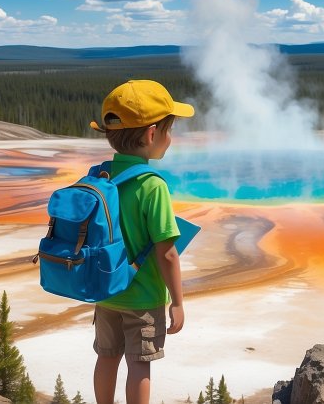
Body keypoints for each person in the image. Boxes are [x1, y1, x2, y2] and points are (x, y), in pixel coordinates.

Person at [88, 80, 194, 404]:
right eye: (169, 129)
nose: (170, 137)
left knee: (106, 356)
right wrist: (177, 301)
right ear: (151, 135)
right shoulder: (152, 186)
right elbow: (168, 253)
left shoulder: (100, 176)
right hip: (143, 299)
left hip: (106, 293)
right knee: (139, 364)